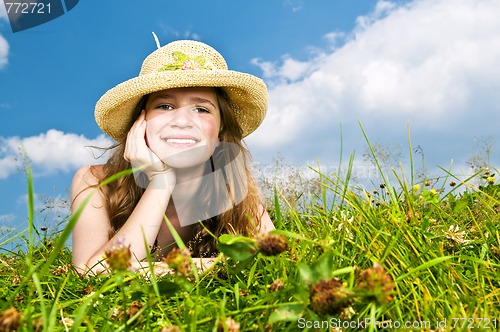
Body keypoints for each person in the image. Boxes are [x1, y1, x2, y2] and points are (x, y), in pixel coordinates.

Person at [70, 39, 275, 275]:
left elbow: (272, 261)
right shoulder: (95, 181)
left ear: (220, 129)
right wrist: (160, 181)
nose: (182, 121)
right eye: (165, 106)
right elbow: (89, 274)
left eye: (202, 109)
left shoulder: (233, 184)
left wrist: (144, 270)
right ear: (140, 121)